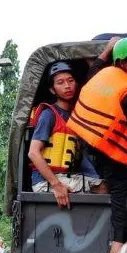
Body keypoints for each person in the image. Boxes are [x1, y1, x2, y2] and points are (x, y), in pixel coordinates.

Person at [66, 36, 127, 253]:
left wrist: (106, 52)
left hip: (96, 155)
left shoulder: (101, 76)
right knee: (122, 224)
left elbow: (95, 68)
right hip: (120, 163)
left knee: (121, 216)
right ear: (121, 64)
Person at [28, 61, 104, 207]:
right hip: (48, 180)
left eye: (70, 81)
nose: (67, 86)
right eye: (60, 82)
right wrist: (56, 185)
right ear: (52, 90)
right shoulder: (48, 114)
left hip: (70, 175)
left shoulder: (76, 115)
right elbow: (33, 153)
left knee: (108, 188)